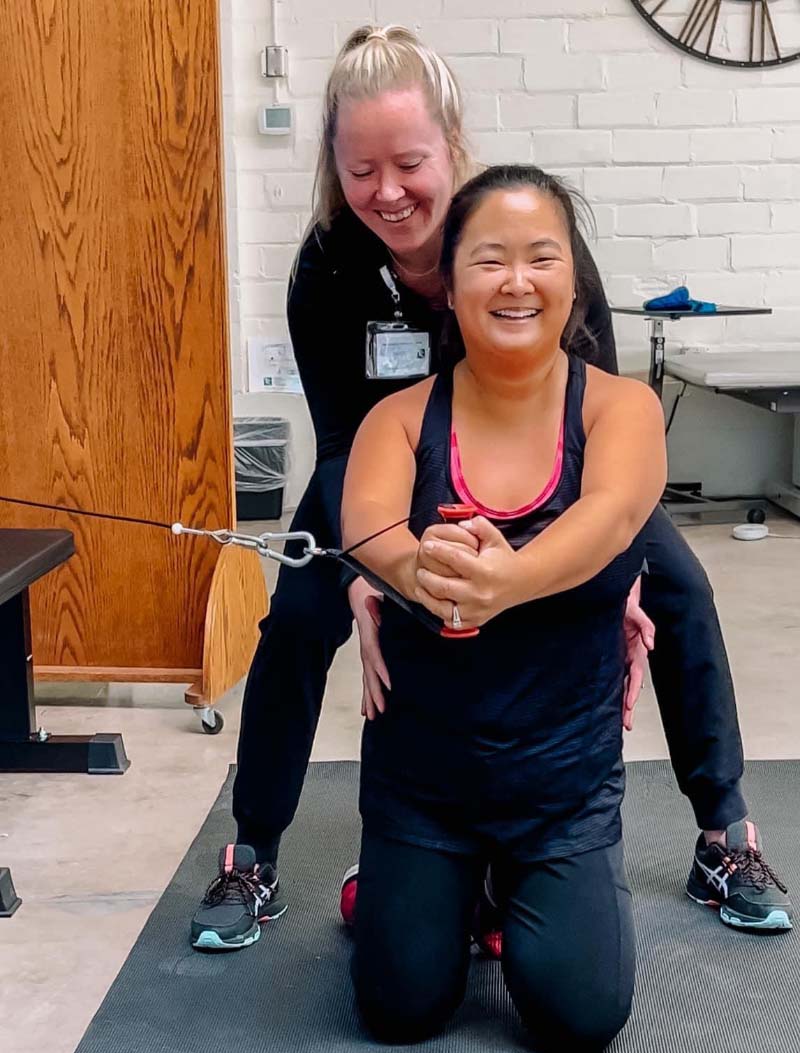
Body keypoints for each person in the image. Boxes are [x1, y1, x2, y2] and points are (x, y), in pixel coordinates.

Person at [189, 25, 792, 953]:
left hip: (538, 474)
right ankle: (252, 852)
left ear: (452, 144)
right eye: (361, 170)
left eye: (410, 162)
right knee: (301, 610)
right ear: (334, 168)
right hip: (385, 482)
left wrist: (614, 577)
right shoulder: (327, 271)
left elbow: (606, 439)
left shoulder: (531, 246)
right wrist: (367, 573)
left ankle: (724, 834)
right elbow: (347, 447)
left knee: (682, 589)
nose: (387, 191)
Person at [343, 162, 665, 1053]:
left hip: (562, 784)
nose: (517, 281)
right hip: (425, 780)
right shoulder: (401, 420)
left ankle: (517, 887)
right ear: (449, 282)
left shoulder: (623, 410)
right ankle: (421, 881)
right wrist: (420, 568)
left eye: (541, 257)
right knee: (400, 1011)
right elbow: (368, 526)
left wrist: (501, 580)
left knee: (579, 1019)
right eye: (489, 259)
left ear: (572, 277)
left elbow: (610, 518)